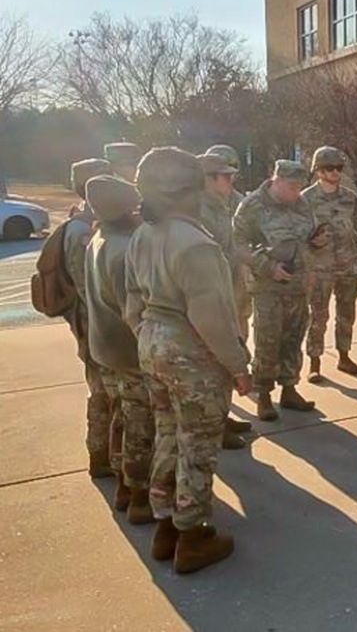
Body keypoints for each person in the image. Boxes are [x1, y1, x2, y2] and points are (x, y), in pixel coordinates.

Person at [125, 147, 252, 573]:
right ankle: (192, 536)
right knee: (197, 442)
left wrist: (146, 334)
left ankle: (166, 527)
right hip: (190, 352)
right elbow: (212, 318)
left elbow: (131, 299)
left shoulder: (144, 234)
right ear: (190, 189)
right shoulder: (195, 244)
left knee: (167, 431)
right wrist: (237, 366)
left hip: (153, 343)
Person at [84, 175, 155, 523]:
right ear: (124, 211)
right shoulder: (126, 249)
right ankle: (140, 495)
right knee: (140, 423)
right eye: (135, 208)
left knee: (120, 417)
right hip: (129, 353)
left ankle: (124, 486)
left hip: (104, 349)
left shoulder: (98, 239)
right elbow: (135, 313)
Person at [234, 159, 323, 420]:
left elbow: (308, 235)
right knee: (268, 340)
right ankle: (263, 396)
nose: (297, 192)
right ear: (277, 180)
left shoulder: (302, 204)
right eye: (292, 186)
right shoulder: (252, 206)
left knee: (293, 338)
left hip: (298, 284)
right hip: (268, 286)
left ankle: (289, 389)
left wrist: (317, 242)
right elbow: (237, 244)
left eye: (299, 186)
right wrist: (267, 266)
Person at [301, 146, 357, 379]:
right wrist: (310, 244)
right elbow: (297, 234)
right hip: (319, 268)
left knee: (346, 313)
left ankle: (344, 356)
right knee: (318, 316)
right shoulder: (305, 200)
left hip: (348, 265)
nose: (335, 172)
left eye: (338, 168)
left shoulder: (350, 198)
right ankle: (315, 363)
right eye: (329, 168)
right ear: (319, 170)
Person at [64, 157, 116, 478]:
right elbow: (86, 287)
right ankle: (100, 453)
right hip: (96, 323)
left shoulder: (90, 221)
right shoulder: (81, 229)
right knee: (101, 391)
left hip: (98, 321)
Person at [198, 152, 254, 450]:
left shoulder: (220, 206)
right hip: (212, 297)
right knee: (212, 362)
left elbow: (234, 248)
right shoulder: (198, 211)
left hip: (230, 290)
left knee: (225, 361)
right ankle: (213, 425)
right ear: (207, 180)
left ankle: (222, 415)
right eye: (225, 176)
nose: (232, 180)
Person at [204, 143, 253, 338]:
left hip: (237, 274)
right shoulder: (195, 206)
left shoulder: (242, 203)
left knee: (241, 318)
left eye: (232, 172)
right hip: (210, 277)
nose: (230, 178)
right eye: (225, 174)